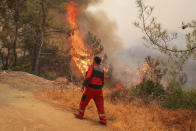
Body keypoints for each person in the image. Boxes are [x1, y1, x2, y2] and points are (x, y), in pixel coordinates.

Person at [75, 56, 107, 125]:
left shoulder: (92, 67)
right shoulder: (102, 70)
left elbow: (88, 77)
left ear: (94, 61)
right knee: (100, 105)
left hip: (90, 89)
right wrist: (99, 88)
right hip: (99, 90)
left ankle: (80, 115)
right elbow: (103, 81)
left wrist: (83, 85)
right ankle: (103, 120)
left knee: (83, 101)